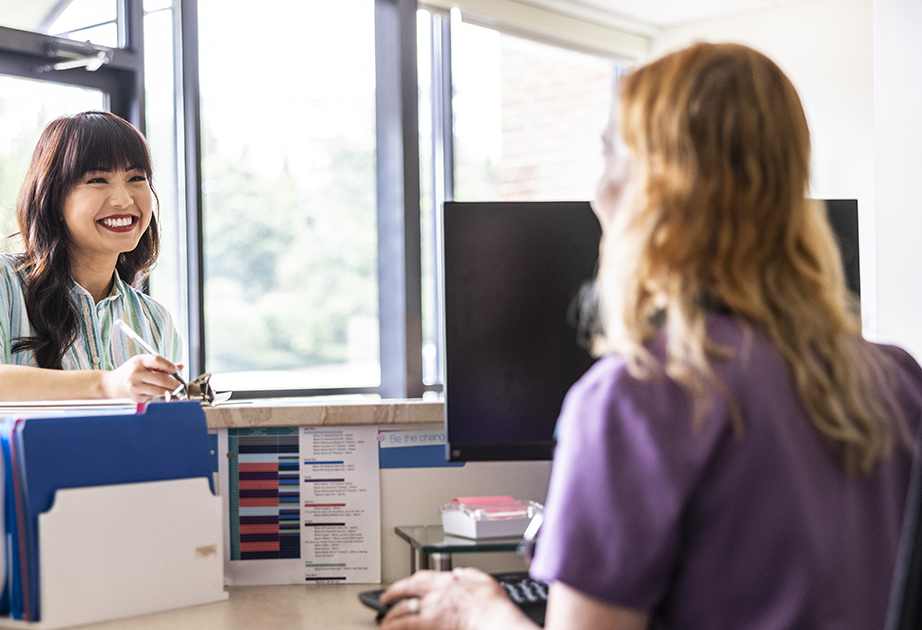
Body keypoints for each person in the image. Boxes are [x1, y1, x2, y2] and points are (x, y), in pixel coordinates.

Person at [381, 42, 922, 630]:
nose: (597, 191)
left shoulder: (637, 398)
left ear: (657, 185)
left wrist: (477, 612)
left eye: (611, 158)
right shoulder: (898, 381)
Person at [0, 111, 184, 410]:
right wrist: (106, 385)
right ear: (54, 199)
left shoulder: (155, 321)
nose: (123, 199)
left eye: (136, 178)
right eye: (97, 179)